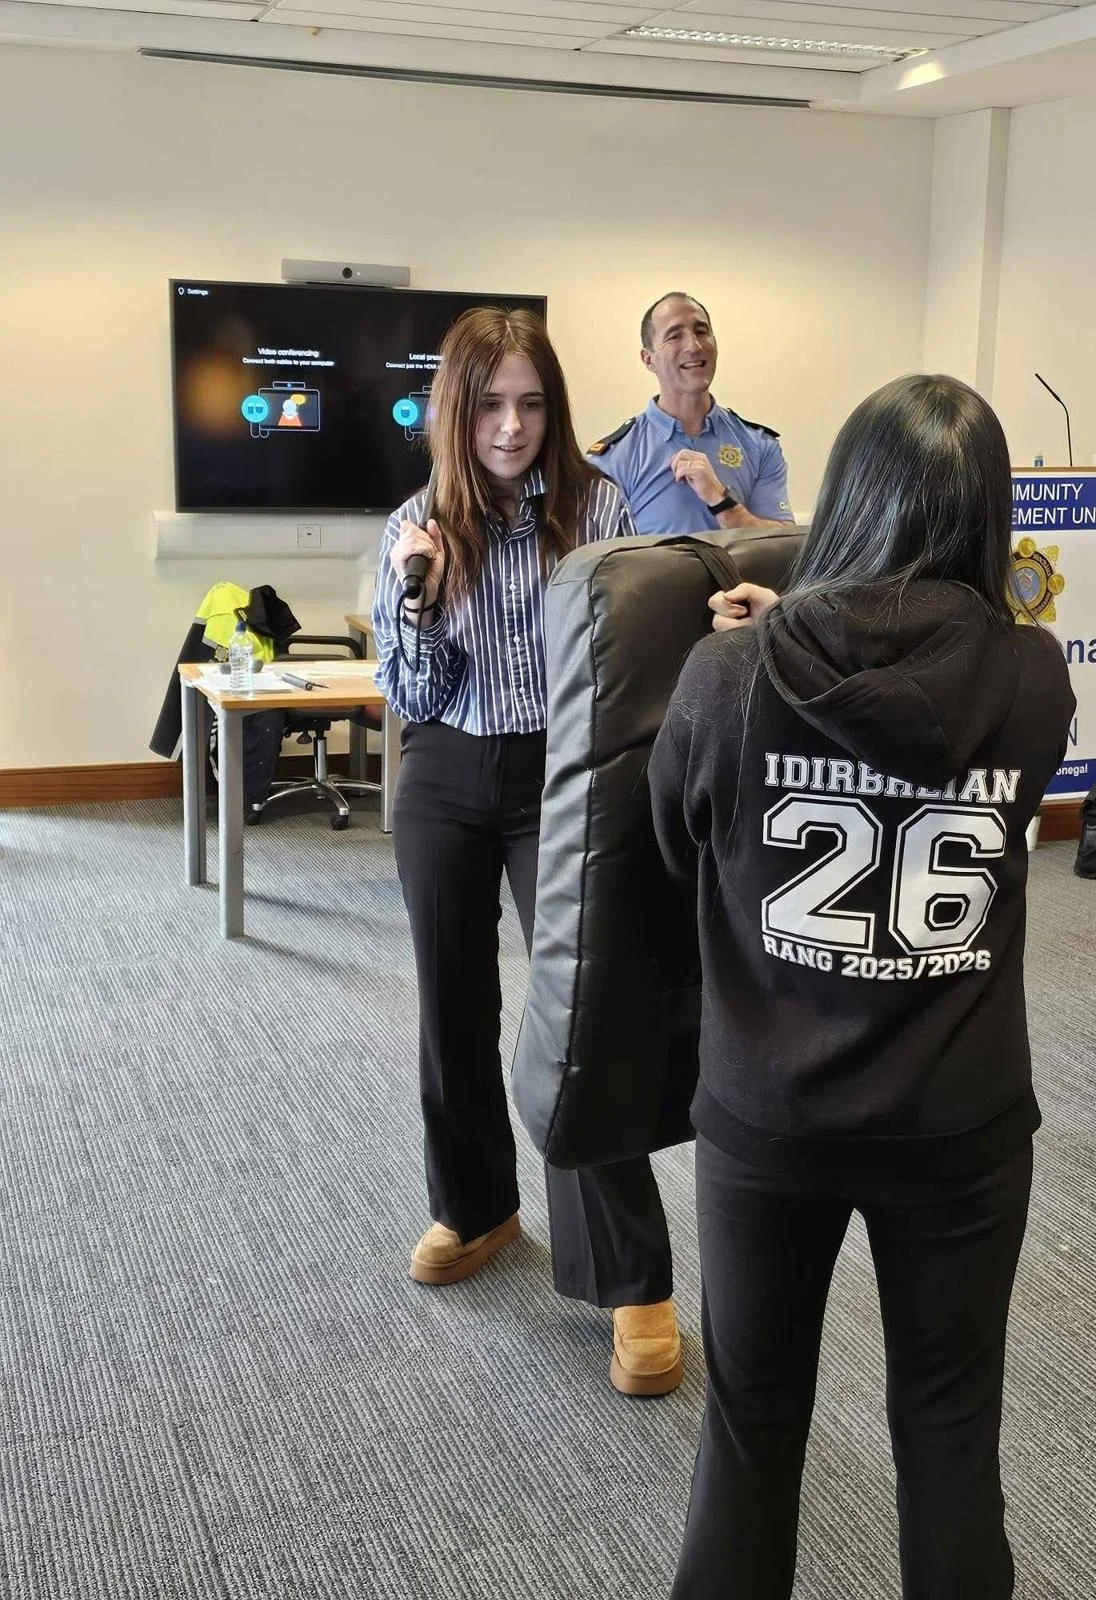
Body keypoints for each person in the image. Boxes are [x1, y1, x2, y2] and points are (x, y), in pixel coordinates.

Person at [648, 373, 1076, 1596]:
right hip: (959, 1123)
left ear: (845, 501)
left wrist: (774, 638)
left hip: (768, 1115)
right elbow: (921, 689)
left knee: (751, 1427)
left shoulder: (726, 678)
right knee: (950, 1435)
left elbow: (677, 847)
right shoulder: (1035, 679)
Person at [372, 307, 682, 1397]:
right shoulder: (415, 524)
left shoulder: (598, 508)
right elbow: (411, 696)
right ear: (456, 413)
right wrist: (418, 596)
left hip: (566, 770)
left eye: (532, 404)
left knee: (583, 1016)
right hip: (448, 773)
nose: (512, 427)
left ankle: (633, 1280)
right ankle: (476, 1208)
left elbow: (637, 656)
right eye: (491, 406)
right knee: (451, 1004)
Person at [587, 292, 793, 534]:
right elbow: (599, 553)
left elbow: (782, 544)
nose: (694, 346)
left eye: (701, 331)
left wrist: (721, 501)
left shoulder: (759, 446)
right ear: (648, 359)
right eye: (675, 336)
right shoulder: (610, 460)